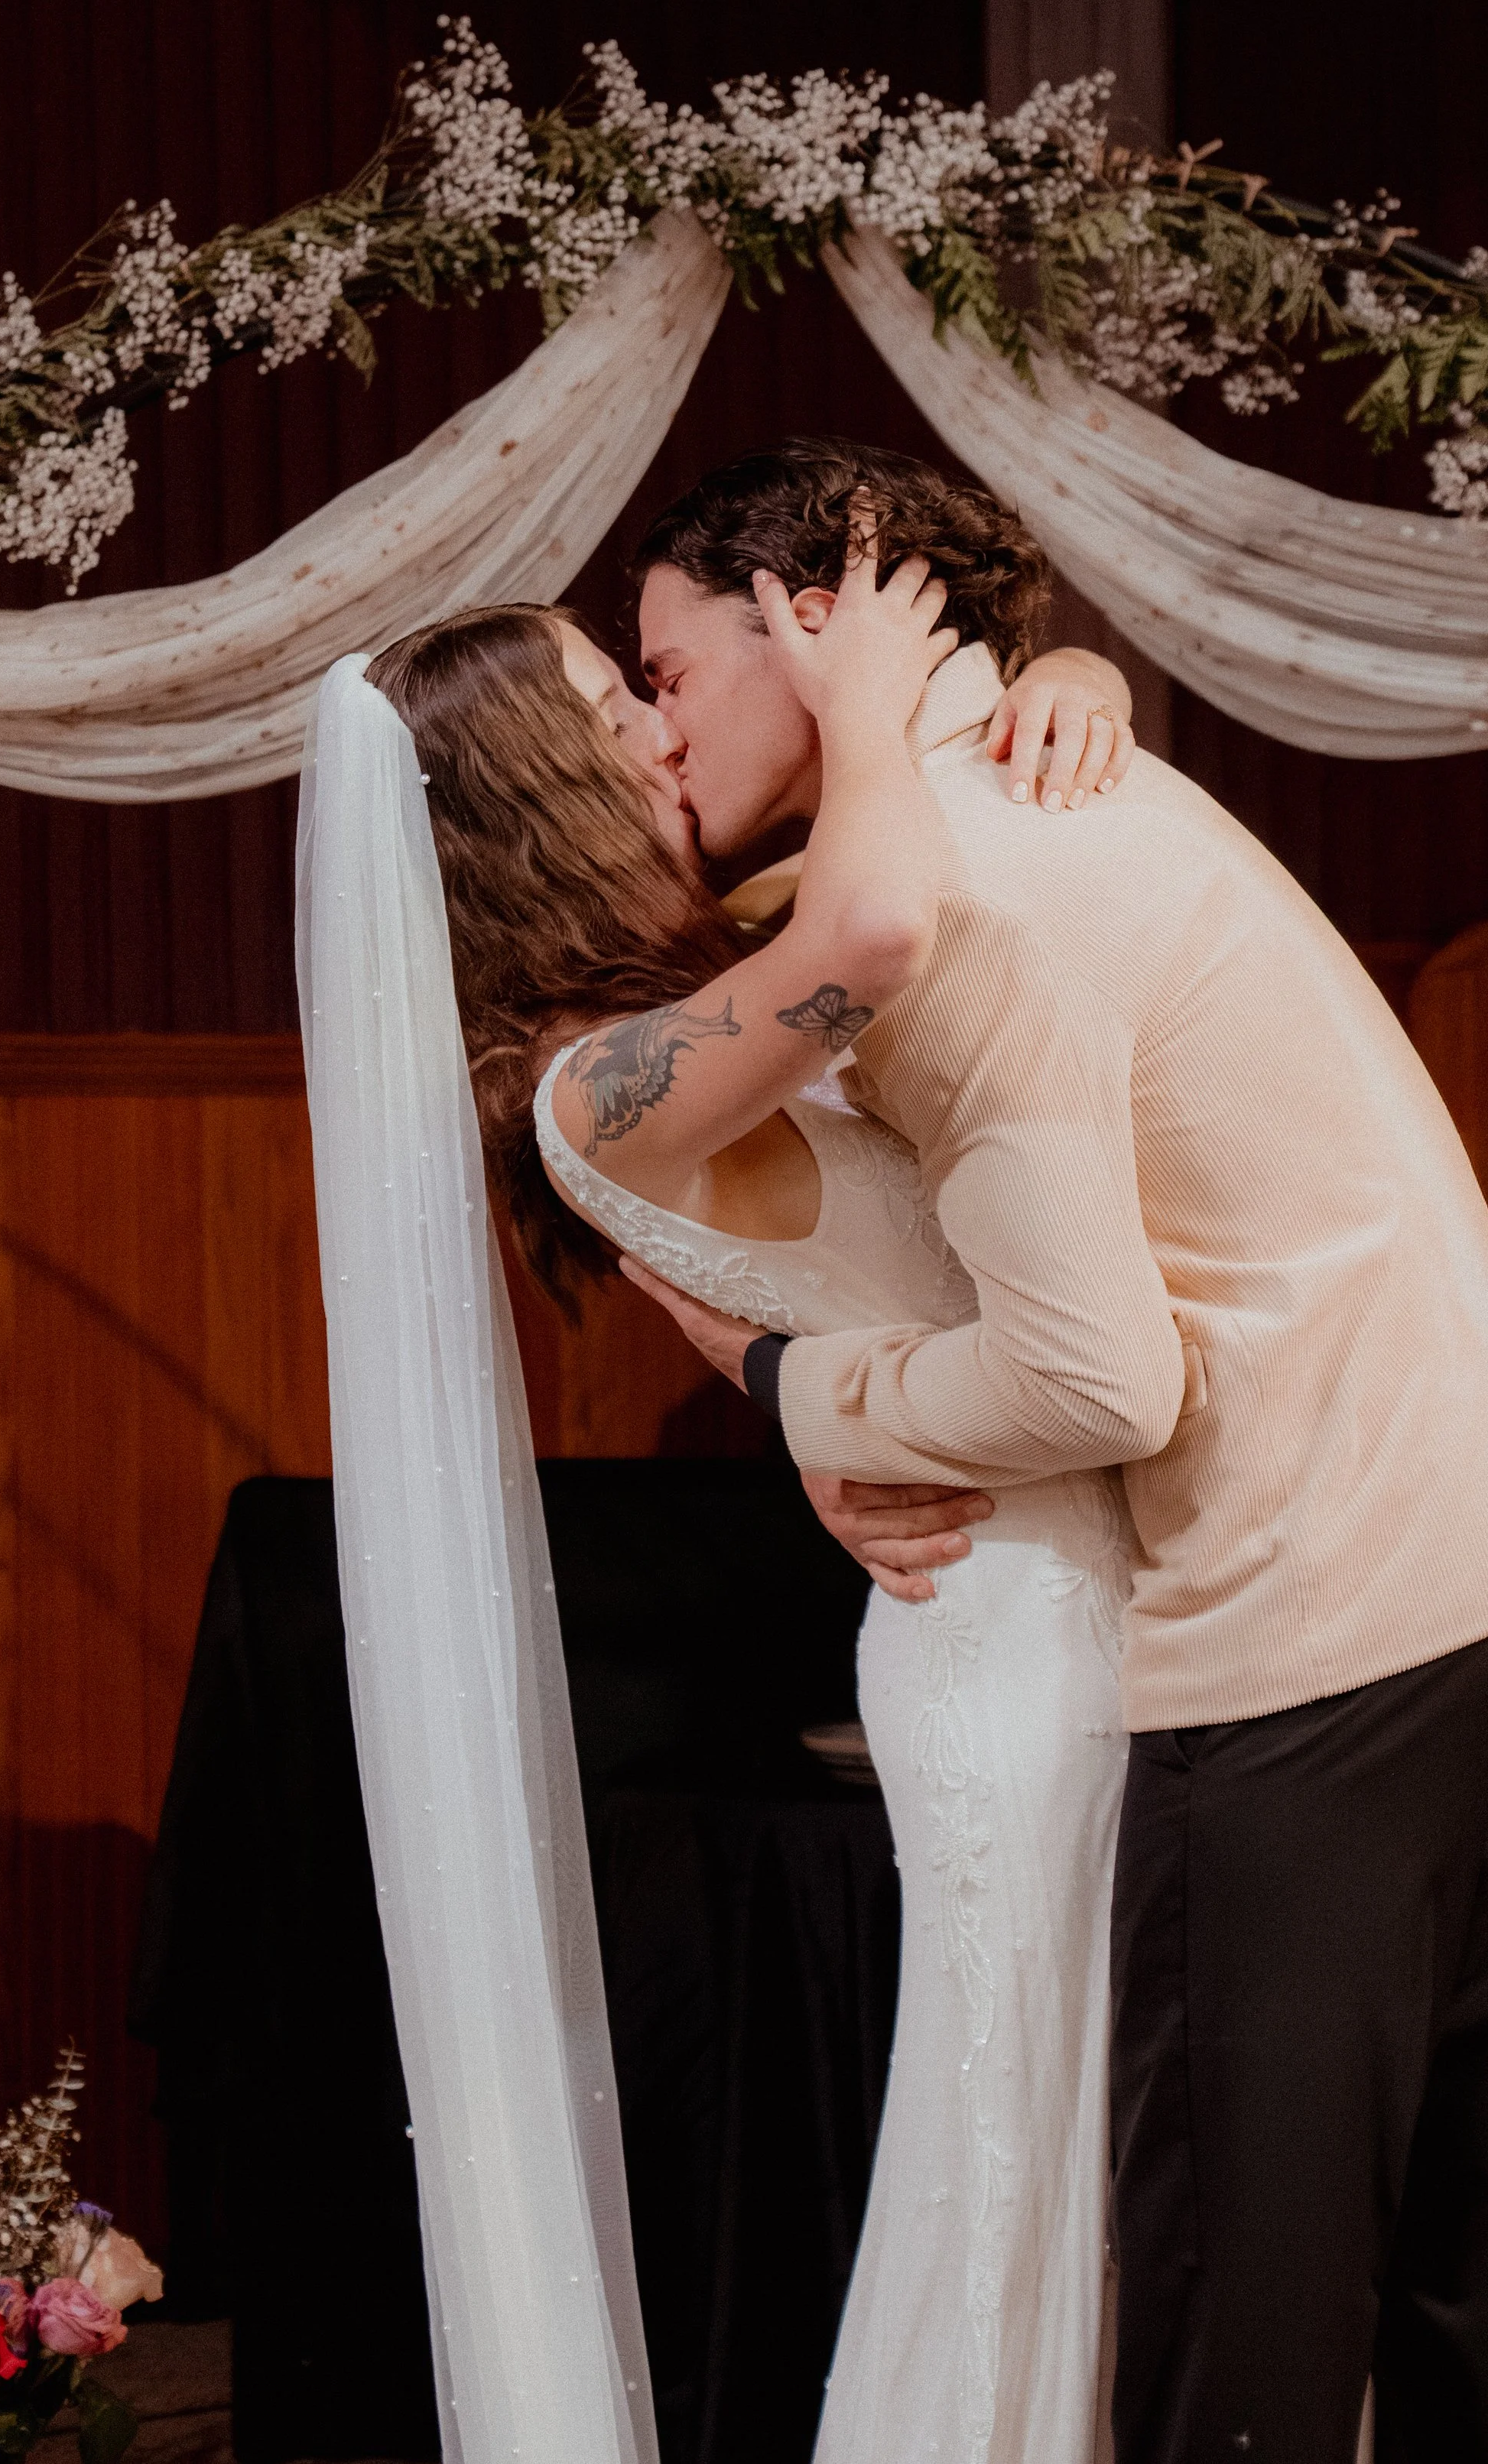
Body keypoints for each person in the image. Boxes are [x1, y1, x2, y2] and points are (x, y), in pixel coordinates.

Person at [615, 435, 1488, 2464]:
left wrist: (800, 1404)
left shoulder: (953, 892)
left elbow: (1096, 1386)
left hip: (1315, 1622)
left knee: (1230, 2326)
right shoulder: (1056, 783)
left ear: (809, 623)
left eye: (664, 670)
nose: (655, 723)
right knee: (1458, 2285)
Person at [363, 549, 1155, 2464]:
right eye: (606, 700)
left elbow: (772, 1329)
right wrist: (876, 699)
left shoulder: (681, 1005)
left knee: (1097, 2157)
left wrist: (1072, 682)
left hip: (1050, 1580)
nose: (661, 721)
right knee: (1021, 2164)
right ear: (535, 788)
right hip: (1012, 1633)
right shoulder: (587, 1092)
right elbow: (882, 931)